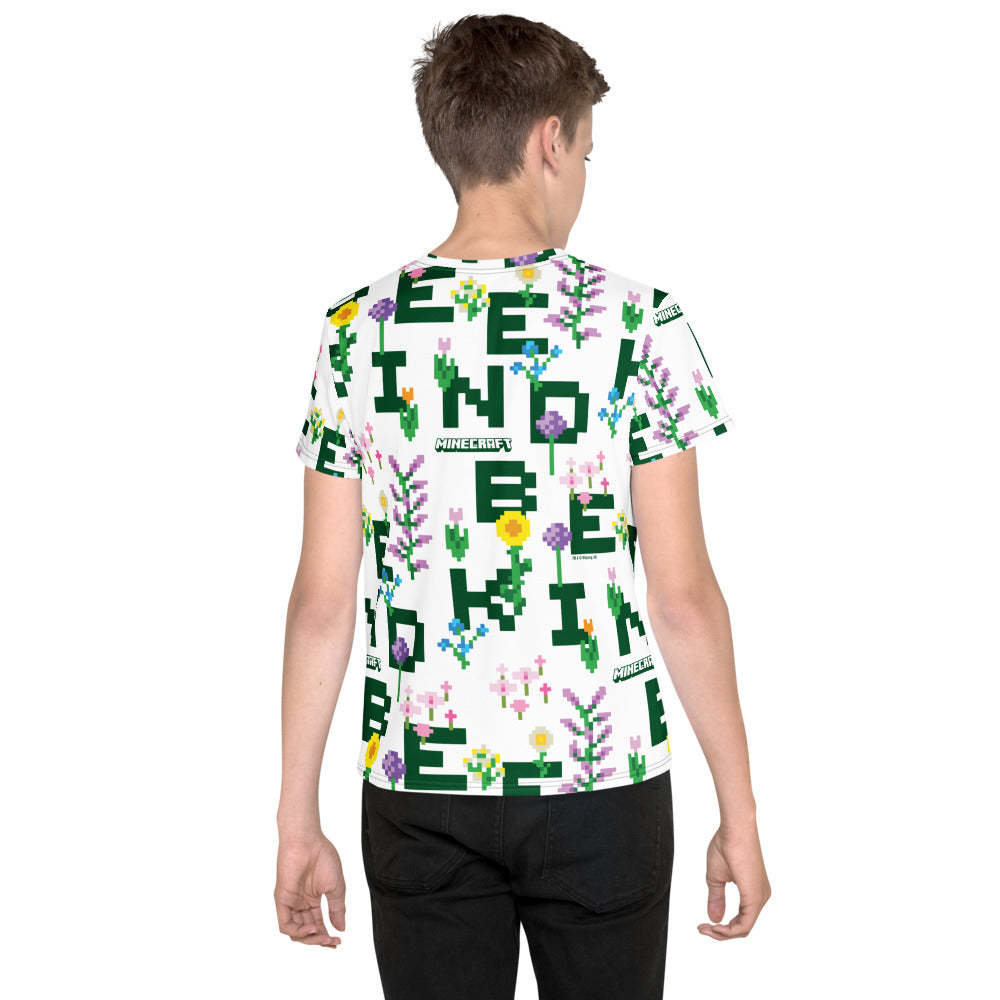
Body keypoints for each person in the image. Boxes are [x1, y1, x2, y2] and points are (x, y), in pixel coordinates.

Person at [274, 13, 770, 999]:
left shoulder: (357, 332)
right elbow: (682, 597)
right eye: (586, 151)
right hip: (602, 784)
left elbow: (321, 601)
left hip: (419, 788)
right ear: (550, 140)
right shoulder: (636, 324)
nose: (582, 174)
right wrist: (741, 812)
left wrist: (296, 819)